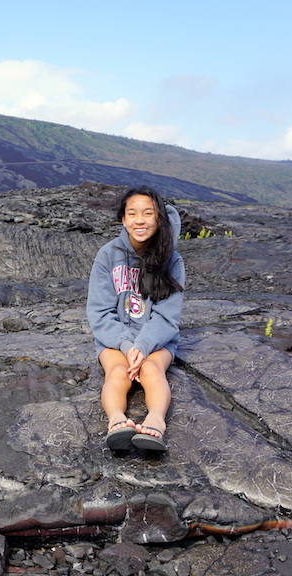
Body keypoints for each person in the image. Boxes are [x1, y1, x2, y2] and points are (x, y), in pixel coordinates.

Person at [86, 186, 184, 452]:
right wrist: (127, 346)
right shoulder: (108, 255)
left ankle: (156, 422)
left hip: (157, 340)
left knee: (152, 369)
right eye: (132, 214)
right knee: (118, 372)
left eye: (147, 213)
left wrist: (142, 346)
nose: (139, 220)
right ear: (123, 220)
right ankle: (116, 420)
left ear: (159, 218)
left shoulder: (172, 260)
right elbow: (99, 312)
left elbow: (166, 317)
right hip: (115, 339)